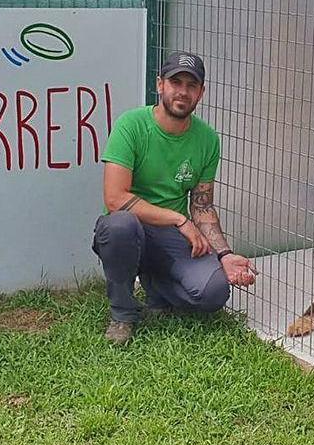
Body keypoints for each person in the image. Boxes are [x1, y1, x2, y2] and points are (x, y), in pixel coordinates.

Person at [91, 51, 257, 344]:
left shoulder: (207, 139)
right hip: (132, 228)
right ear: (160, 84)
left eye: (191, 85)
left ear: (201, 92)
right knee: (119, 227)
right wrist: (179, 219)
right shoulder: (131, 125)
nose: (182, 91)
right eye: (175, 81)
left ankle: (156, 287)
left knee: (214, 292)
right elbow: (115, 198)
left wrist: (225, 254)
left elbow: (202, 206)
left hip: (170, 238)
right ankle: (122, 313)